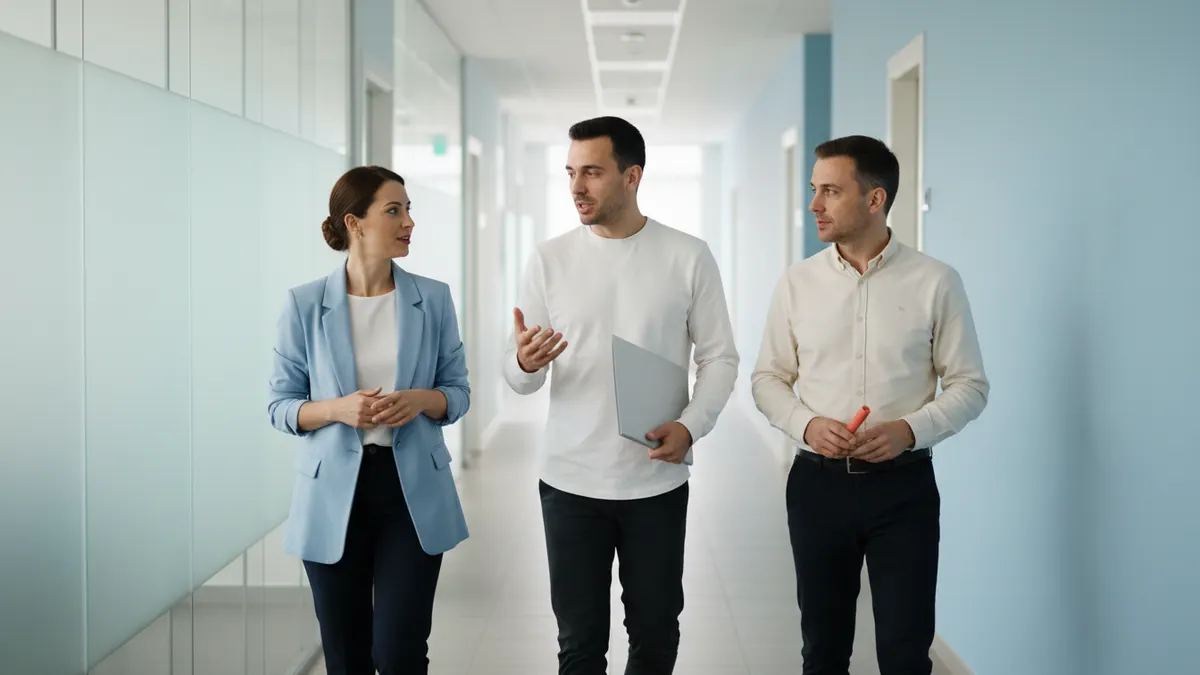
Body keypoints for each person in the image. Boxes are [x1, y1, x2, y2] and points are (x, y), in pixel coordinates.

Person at [503, 116, 739, 675]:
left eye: (592, 172)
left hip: (655, 481)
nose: (577, 187)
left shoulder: (688, 255)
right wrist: (522, 362)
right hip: (569, 482)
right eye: (570, 173)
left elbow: (720, 357)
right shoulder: (549, 259)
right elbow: (518, 378)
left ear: (632, 176)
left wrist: (691, 425)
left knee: (655, 637)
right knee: (580, 646)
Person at [751, 135, 989, 675]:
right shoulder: (797, 283)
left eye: (830, 191)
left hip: (902, 492)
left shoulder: (936, 282)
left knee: (906, 656)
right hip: (817, 488)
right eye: (815, 190)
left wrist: (910, 429)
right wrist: (806, 425)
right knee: (824, 651)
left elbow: (970, 385)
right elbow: (768, 378)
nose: (814, 204)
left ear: (875, 199)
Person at [267, 165, 470, 675]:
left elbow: (458, 394)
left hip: (411, 494)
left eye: (408, 210)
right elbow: (280, 406)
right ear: (354, 223)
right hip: (334, 493)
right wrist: (339, 409)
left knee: (400, 653)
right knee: (346, 655)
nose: (408, 222)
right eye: (394, 210)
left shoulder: (434, 298)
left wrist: (422, 400)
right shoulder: (304, 304)